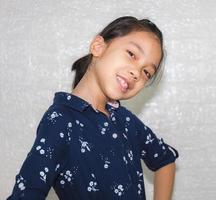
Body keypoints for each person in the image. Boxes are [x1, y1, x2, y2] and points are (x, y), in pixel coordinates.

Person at [7, 16, 179, 200]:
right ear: (98, 46)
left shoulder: (126, 121)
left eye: (147, 72)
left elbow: (165, 160)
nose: (136, 72)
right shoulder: (61, 120)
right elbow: (26, 193)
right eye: (132, 54)